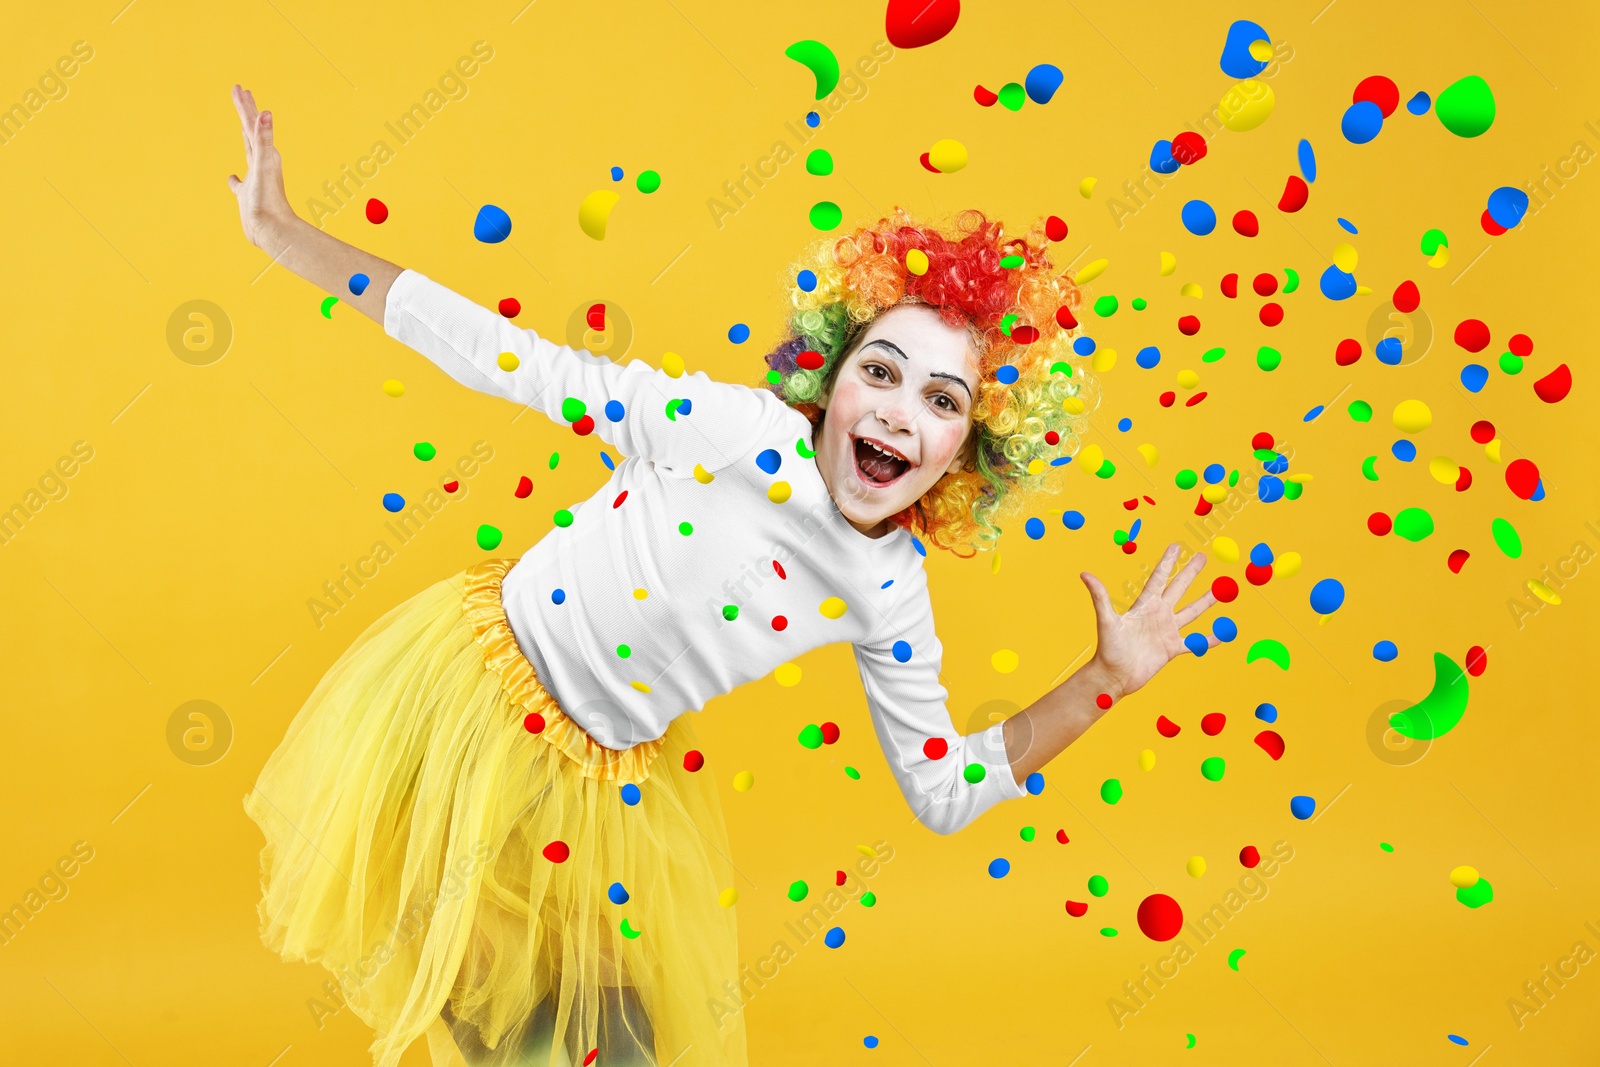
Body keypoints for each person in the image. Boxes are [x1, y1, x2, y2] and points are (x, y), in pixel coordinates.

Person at [228, 84, 1218, 1067]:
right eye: (877, 371)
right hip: (458, 710)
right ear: (828, 379)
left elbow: (942, 786)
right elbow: (514, 362)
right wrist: (284, 234)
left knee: (606, 1045)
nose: (896, 411)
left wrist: (1104, 682)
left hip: (597, 784)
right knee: (482, 1001)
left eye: (941, 398)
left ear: (969, 449)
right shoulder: (730, 429)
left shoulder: (887, 590)